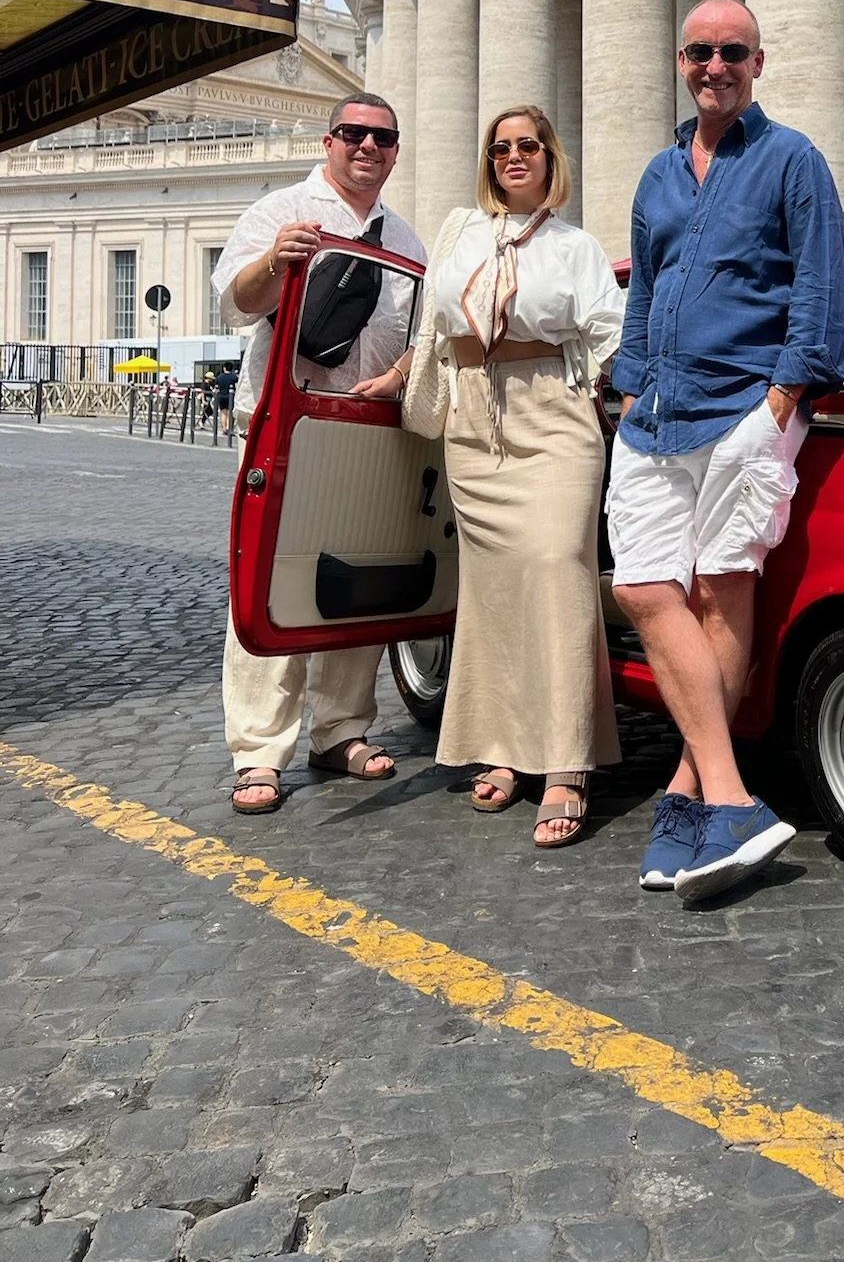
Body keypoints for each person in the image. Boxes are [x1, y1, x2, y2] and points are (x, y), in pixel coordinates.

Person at [609, 0, 844, 901]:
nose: (716, 66)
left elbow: (821, 291)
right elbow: (645, 290)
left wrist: (778, 402)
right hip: (656, 413)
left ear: (758, 63)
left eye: (733, 53)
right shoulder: (658, 174)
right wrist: (629, 385)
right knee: (643, 587)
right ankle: (727, 797)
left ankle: (690, 797)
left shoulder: (793, 160)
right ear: (681, 61)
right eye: (701, 52)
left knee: (720, 590)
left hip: (746, 409)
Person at [356, 104, 624, 847]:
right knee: (494, 591)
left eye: (528, 146)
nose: (513, 157)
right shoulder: (461, 234)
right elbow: (434, 331)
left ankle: (567, 761)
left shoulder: (576, 247)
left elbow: (612, 336)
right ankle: (502, 744)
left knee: (557, 569)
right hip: (473, 423)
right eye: (501, 148)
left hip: (554, 416)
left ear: (550, 158)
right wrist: (397, 378)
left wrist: (637, 404)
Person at [212, 95, 426, 814]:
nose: (368, 146)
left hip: (367, 426)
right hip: (288, 423)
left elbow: (420, 337)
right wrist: (275, 261)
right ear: (329, 141)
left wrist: (400, 376)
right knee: (269, 575)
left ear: (395, 151)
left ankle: (341, 730)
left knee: (354, 578)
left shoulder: (406, 239)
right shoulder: (282, 211)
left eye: (382, 138)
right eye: (353, 134)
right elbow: (236, 303)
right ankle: (259, 749)